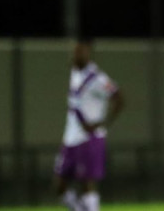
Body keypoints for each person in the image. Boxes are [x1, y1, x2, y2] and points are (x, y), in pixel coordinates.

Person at [54, 39, 124, 211]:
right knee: (59, 185)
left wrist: (103, 123)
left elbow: (119, 98)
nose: (77, 54)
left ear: (88, 53)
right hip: (70, 138)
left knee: (87, 182)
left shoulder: (97, 78)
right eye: (75, 51)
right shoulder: (75, 74)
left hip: (89, 138)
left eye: (81, 51)